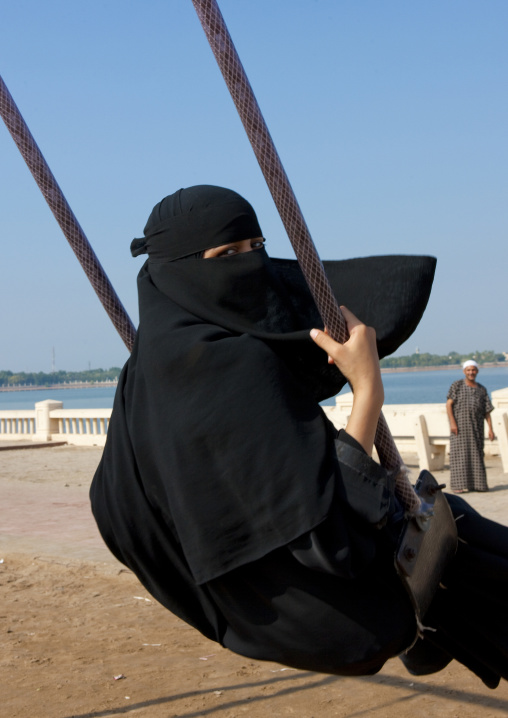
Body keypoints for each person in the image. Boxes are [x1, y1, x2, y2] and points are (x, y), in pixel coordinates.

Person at [90, 185, 508, 688]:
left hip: (258, 621)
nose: (249, 265)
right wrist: (367, 387)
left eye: (256, 247)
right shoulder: (235, 365)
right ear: (178, 268)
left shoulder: (138, 381)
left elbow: (118, 512)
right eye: (226, 254)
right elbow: (332, 539)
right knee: (457, 537)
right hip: (348, 607)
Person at [446, 360, 495, 493]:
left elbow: (487, 411)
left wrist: (491, 429)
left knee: (477, 455)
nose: (471, 372)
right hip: (459, 428)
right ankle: (458, 486)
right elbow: (449, 404)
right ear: (464, 371)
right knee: (459, 456)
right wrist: (452, 422)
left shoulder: (481, 389)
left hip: (476, 428)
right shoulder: (457, 385)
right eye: (468, 370)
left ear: (477, 371)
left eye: (473, 370)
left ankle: (478, 485)